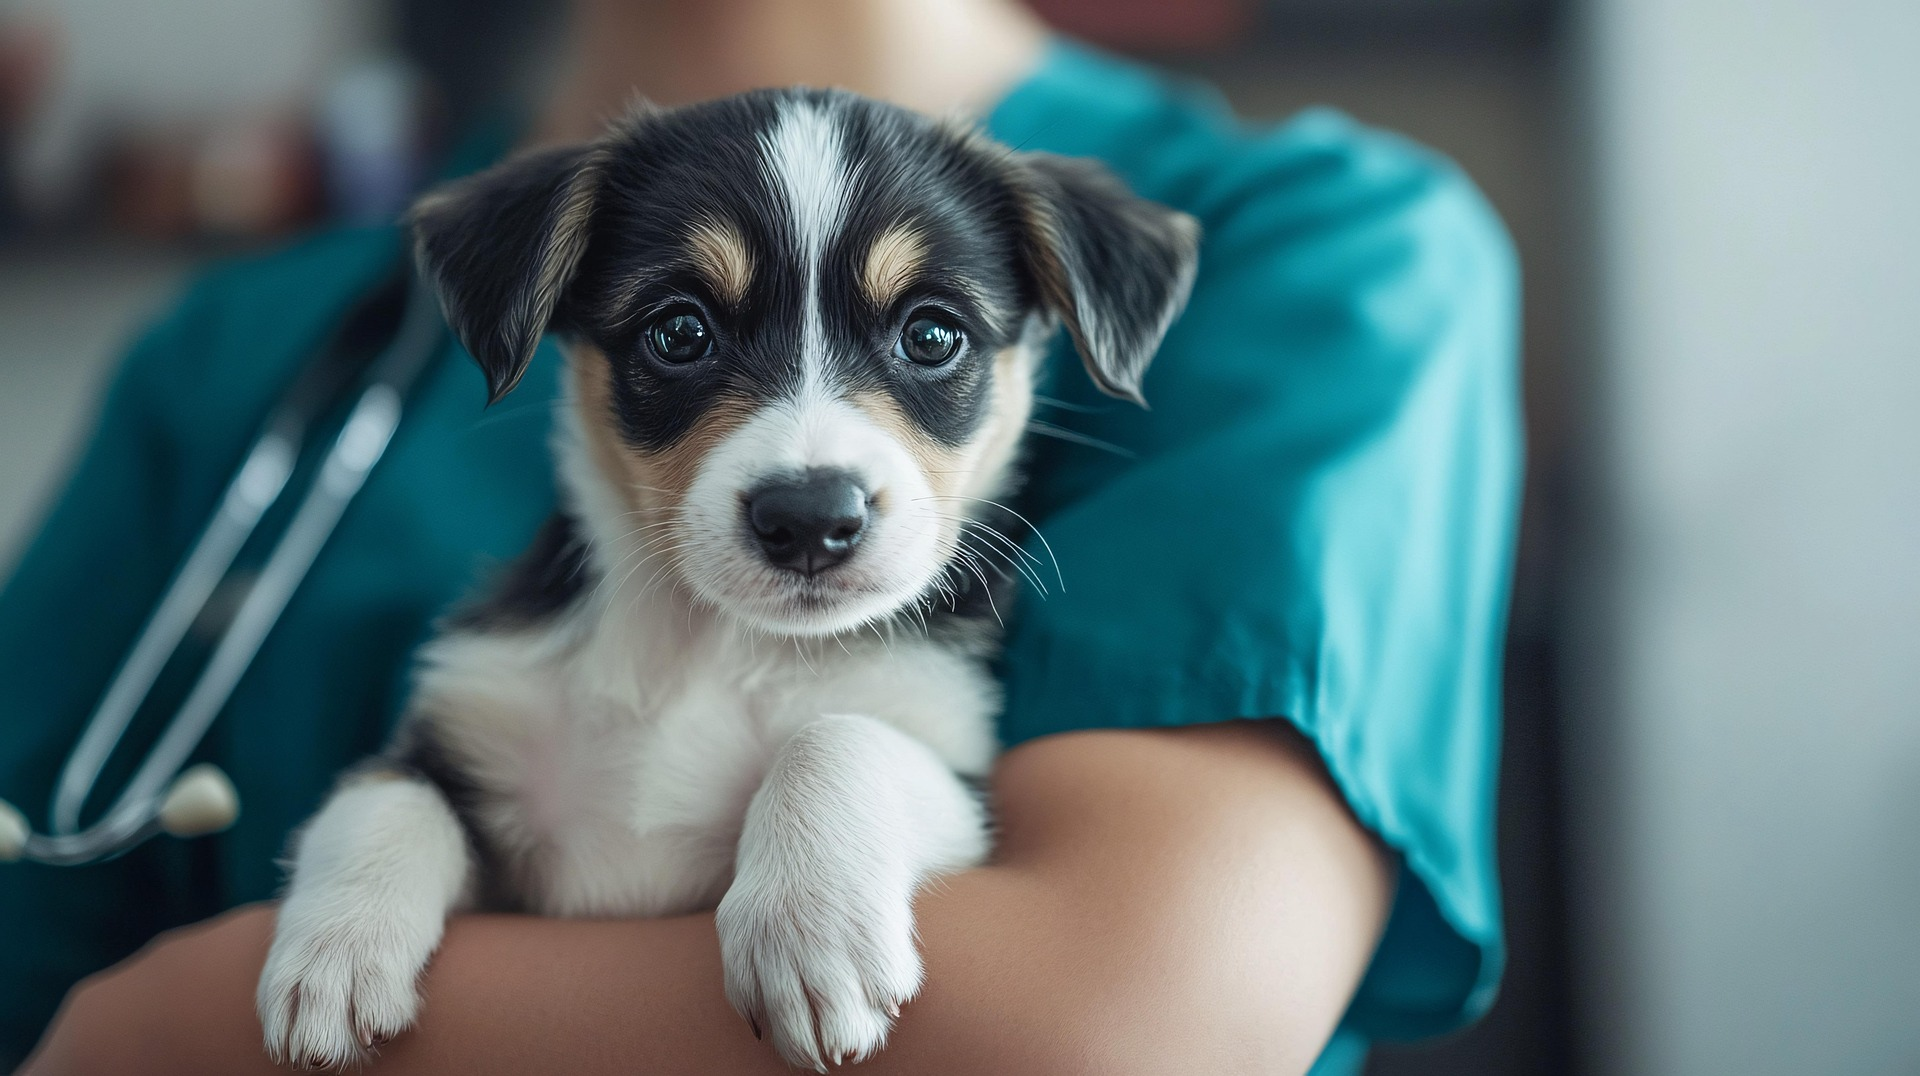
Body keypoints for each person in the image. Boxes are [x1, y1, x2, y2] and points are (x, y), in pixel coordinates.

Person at [2, 0, 1519, 1071]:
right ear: (548, 331)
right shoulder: (239, 356)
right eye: (677, 329)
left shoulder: (1325, 252)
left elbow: (1122, 1031)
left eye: (929, 336)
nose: (811, 454)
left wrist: (171, 1034)